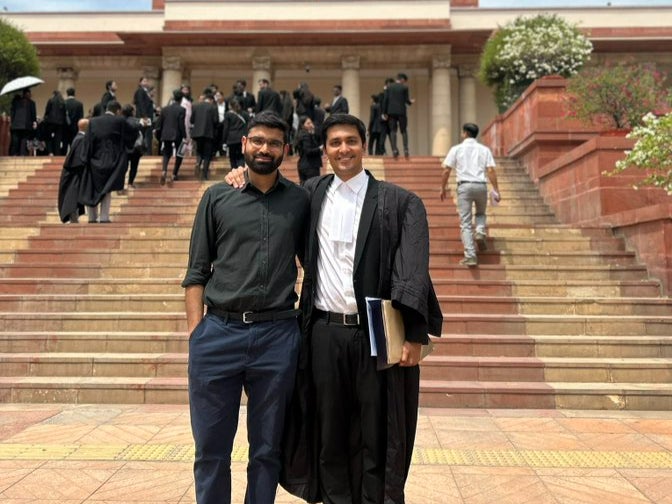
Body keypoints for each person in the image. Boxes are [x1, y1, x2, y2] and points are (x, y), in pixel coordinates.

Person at [223, 114, 443, 503]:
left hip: (376, 333)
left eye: (351, 141)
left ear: (364, 145)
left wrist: (412, 332)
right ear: (323, 150)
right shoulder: (309, 194)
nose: (344, 149)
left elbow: (412, 269)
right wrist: (240, 175)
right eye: (336, 142)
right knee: (328, 431)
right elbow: (268, 190)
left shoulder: (399, 202)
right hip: (322, 331)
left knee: (376, 430)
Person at [182, 111, 310, 504]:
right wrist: (196, 334)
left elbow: (316, 265)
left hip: (277, 335)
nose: (264, 149)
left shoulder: (300, 201)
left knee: (267, 449)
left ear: (285, 150)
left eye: (273, 143)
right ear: (243, 145)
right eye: (257, 141)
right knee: (210, 451)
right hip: (218, 333)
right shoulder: (218, 196)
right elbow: (196, 271)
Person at [439, 122, 501, 267]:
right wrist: (496, 189)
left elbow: (446, 170)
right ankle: (480, 231)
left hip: (464, 186)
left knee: (466, 223)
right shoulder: (484, 150)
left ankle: (471, 256)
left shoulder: (456, 149)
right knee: (480, 214)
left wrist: (442, 188)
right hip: (481, 186)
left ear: (465, 133)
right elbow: (491, 170)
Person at [79, 100, 137, 223]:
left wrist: (85, 159)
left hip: (94, 159)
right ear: (118, 111)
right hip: (113, 160)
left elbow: (88, 141)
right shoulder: (119, 121)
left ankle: (92, 217)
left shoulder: (93, 121)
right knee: (107, 189)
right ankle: (104, 217)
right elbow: (131, 133)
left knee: (92, 188)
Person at [57, 118, 89, 224]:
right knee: (72, 195)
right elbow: (78, 159)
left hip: (72, 171)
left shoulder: (78, 138)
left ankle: (73, 215)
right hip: (74, 173)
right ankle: (72, 216)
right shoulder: (81, 139)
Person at [155, 89, 186, 185]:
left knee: (166, 153)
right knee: (179, 154)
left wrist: (159, 135)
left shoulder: (165, 109)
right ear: (181, 99)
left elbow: (159, 123)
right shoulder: (182, 109)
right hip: (177, 134)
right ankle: (174, 174)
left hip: (166, 134)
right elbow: (181, 124)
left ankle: (164, 171)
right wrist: (185, 136)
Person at [382, 73, 414, 159]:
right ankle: (406, 149)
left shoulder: (388, 87)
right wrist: (411, 102)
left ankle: (394, 150)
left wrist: (384, 112)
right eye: (405, 81)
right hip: (401, 112)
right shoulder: (404, 87)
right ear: (402, 79)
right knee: (403, 130)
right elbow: (406, 101)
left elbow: (385, 100)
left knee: (393, 131)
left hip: (391, 112)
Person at [190, 89, 218, 180]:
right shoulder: (213, 107)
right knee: (207, 154)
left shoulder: (195, 106)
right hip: (208, 133)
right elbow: (216, 121)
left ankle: (198, 162)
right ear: (211, 100)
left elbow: (192, 120)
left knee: (199, 151)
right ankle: (204, 173)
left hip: (197, 133)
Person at [121, 104, 146, 191]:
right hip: (136, 147)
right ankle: (130, 183)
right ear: (132, 112)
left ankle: (121, 185)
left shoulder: (120, 121)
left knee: (123, 167)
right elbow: (143, 131)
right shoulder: (138, 121)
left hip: (123, 148)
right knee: (134, 166)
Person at [220, 98, 248, 170]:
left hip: (231, 139)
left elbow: (226, 129)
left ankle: (235, 175)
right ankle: (242, 174)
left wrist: (224, 141)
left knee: (232, 158)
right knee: (241, 157)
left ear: (230, 106)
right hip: (242, 138)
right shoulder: (245, 114)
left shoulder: (228, 114)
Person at [9, 89, 37, 156]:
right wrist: (34, 122)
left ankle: (15, 154)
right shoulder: (32, 103)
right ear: (27, 94)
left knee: (16, 140)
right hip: (26, 125)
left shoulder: (16, 101)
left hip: (16, 125)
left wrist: (12, 122)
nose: (30, 95)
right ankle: (22, 154)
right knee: (24, 140)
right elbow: (33, 114)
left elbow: (12, 113)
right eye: (29, 94)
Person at [294, 116, 322, 183]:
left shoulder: (301, 134)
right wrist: (319, 149)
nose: (311, 125)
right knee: (312, 188)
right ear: (303, 125)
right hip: (310, 166)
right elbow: (308, 151)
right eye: (308, 123)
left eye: (311, 122)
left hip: (303, 165)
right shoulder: (306, 135)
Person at [134, 76, 156, 155]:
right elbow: (141, 104)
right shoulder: (140, 91)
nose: (146, 82)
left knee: (148, 135)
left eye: (146, 81)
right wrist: (144, 116)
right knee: (145, 135)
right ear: (140, 83)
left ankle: (147, 152)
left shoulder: (146, 92)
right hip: (144, 117)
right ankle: (145, 153)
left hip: (147, 116)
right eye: (144, 81)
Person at [43, 90, 67, 155]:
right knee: (58, 138)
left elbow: (47, 111)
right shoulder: (63, 101)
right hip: (60, 123)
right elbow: (64, 113)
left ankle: (50, 151)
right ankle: (57, 152)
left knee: (48, 137)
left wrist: (45, 118)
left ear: (53, 94)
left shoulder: (51, 100)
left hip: (50, 122)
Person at [64, 87, 84, 153]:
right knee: (75, 145)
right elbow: (81, 117)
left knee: (65, 145)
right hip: (75, 127)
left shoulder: (64, 103)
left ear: (67, 94)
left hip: (65, 127)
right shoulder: (79, 104)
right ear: (74, 94)